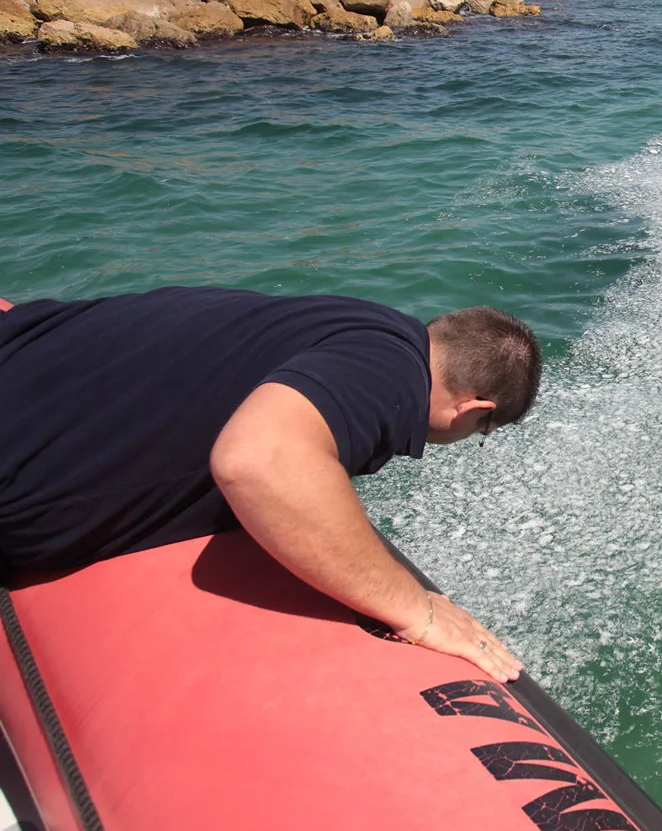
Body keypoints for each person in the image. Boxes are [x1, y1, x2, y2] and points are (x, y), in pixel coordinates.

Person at [0, 287, 542, 683]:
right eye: (481, 432)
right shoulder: (391, 377)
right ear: (473, 409)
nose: (469, 438)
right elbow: (256, 462)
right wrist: (418, 611)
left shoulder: (363, 324)